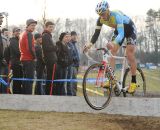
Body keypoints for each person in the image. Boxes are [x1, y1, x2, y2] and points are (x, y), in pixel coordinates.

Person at [84, 1, 137, 93]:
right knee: (111, 52)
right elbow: (96, 34)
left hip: (129, 30)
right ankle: (112, 80)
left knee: (129, 54)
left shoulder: (116, 15)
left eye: (103, 13)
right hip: (119, 30)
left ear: (108, 10)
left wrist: (113, 42)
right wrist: (89, 45)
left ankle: (133, 82)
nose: (102, 16)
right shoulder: (100, 19)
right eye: (99, 14)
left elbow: (121, 33)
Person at [19, 19, 37, 94]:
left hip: (24, 59)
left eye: (34, 26)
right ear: (27, 25)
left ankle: (24, 97)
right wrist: (35, 57)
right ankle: (28, 98)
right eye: (32, 25)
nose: (34, 27)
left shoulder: (23, 33)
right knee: (29, 80)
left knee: (25, 79)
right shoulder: (29, 34)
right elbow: (30, 48)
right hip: (28, 59)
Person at [42, 21, 57, 95]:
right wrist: (56, 47)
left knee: (51, 78)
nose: (51, 28)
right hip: (49, 61)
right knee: (50, 78)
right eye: (50, 27)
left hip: (52, 60)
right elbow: (46, 48)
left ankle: (50, 93)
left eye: (52, 27)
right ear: (46, 27)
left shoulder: (49, 36)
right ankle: (48, 93)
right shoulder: (45, 36)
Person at [9, 27, 23, 94]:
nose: (18, 32)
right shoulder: (13, 41)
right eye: (16, 31)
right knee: (16, 80)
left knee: (20, 80)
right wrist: (24, 54)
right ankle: (16, 94)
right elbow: (17, 51)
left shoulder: (19, 40)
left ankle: (19, 93)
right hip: (15, 63)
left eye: (19, 31)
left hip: (20, 63)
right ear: (13, 33)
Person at [67, 31, 80, 96]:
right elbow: (71, 55)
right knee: (73, 81)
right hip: (72, 65)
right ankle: (72, 94)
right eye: (73, 35)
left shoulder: (75, 44)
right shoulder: (69, 44)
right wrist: (75, 59)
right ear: (70, 36)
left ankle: (74, 94)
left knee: (75, 81)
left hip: (76, 65)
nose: (75, 37)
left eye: (75, 35)